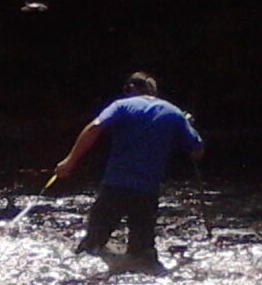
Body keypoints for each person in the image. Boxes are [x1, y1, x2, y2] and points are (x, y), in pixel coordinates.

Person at [49, 71, 204, 272]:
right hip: (147, 192)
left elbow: (95, 127)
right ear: (153, 92)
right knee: (142, 253)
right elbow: (197, 152)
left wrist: (70, 161)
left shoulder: (121, 106)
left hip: (115, 186)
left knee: (92, 245)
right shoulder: (173, 113)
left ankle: (85, 274)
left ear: (130, 90)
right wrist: (188, 125)